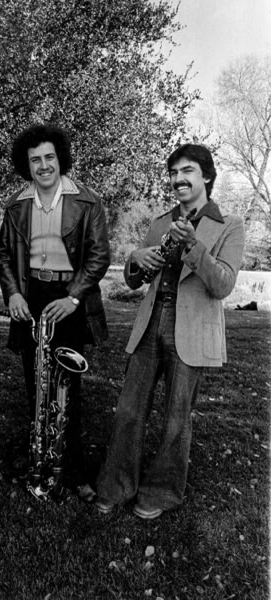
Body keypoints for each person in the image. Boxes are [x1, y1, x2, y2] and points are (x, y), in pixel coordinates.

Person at [94, 143, 245, 519]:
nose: (178, 179)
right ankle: (116, 486)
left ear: (206, 176)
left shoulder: (230, 225)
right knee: (129, 410)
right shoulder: (161, 222)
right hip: (151, 321)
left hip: (192, 329)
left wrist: (193, 245)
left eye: (187, 171)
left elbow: (223, 285)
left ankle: (161, 492)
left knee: (177, 417)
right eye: (174, 173)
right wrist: (135, 259)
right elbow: (135, 280)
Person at [0, 123, 110, 496]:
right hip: (30, 296)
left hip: (69, 298)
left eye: (49, 157)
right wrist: (13, 294)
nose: (43, 166)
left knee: (66, 385)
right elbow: (3, 254)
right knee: (35, 382)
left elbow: (99, 255)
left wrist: (73, 297)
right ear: (26, 165)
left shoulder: (87, 201)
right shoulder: (17, 204)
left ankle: (72, 469)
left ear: (61, 159)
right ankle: (39, 458)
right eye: (35, 160)